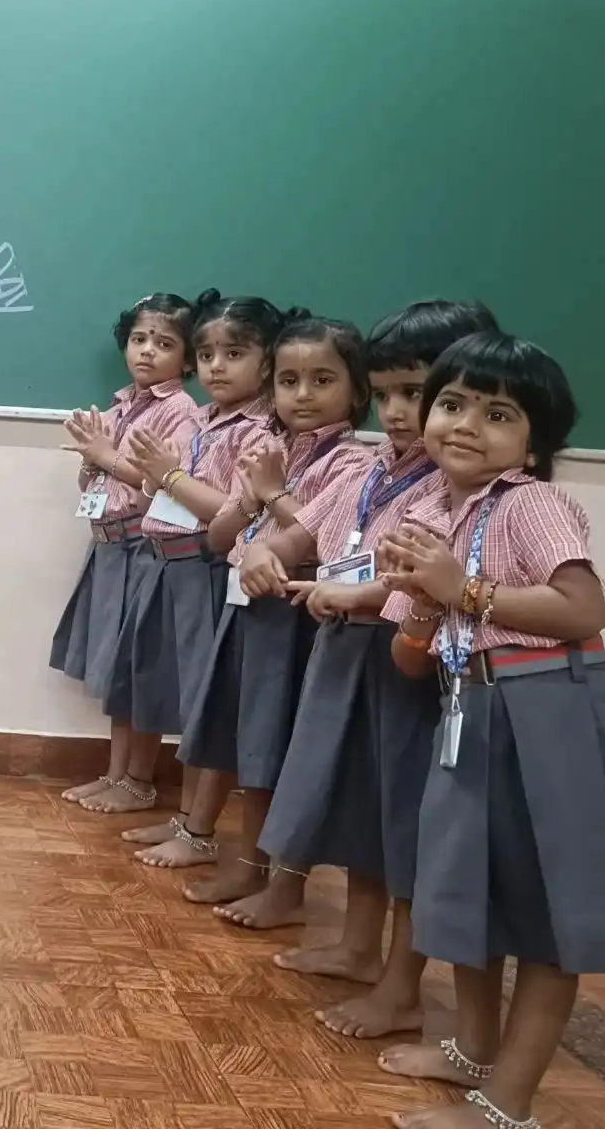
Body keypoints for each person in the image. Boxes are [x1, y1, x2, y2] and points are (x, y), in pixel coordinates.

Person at [373, 333, 605, 1129]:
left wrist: (465, 590)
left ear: (533, 444)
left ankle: (507, 1105)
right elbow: (411, 657)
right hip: (469, 708)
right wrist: (428, 610)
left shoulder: (529, 503)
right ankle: (473, 1050)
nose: (466, 424)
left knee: (548, 913)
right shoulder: (429, 511)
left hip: (551, 712)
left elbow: (578, 607)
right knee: (470, 894)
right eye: (452, 403)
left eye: (498, 412)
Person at [226, 302, 495, 1034]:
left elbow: (425, 577)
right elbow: (301, 532)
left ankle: (403, 988)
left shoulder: (461, 487)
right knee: (363, 811)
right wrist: (259, 552)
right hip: (346, 656)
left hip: (406, 666)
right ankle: (357, 948)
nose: (403, 414)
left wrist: (361, 591)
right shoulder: (376, 469)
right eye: (389, 395)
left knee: (406, 825)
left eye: (423, 395)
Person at [173, 315, 371, 913]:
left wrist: (278, 494)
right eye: (288, 380)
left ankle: (285, 885)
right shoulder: (271, 450)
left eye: (321, 379)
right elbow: (219, 538)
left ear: (358, 391)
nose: (302, 394)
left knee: (286, 755)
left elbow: (323, 544)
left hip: (301, 621)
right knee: (252, 750)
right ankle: (248, 867)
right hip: (250, 613)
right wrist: (253, 493)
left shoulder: (355, 464)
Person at [110, 290, 278, 846]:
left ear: (267, 361)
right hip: (170, 564)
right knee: (162, 687)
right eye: (207, 355)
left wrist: (168, 476)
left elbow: (226, 512)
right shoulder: (205, 419)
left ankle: (198, 828)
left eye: (233, 354)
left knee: (205, 706)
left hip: (208, 572)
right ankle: (179, 816)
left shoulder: (260, 432)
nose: (216, 367)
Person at [52, 295, 198, 814]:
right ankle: (116, 774)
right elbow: (97, 474)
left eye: (164, 343)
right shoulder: (119, 408)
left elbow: (165, 481)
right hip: (110, 548)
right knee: (118, 671)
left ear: (188, 359)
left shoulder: (180, 411)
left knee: (142, 670)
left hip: (146, 549)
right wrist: (91, 464)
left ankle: (139, 778)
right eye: (139, 339)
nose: (147, 352)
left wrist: (106, 457)